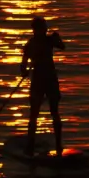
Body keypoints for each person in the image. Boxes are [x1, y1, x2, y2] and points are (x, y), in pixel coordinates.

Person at [20, 16, 65, 156]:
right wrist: (25, 71)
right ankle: (30, 144)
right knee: (34, 113)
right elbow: (23, 64)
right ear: (35, 30)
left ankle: (58, 145)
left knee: (54, 112)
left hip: (50, 79)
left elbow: (62, 47)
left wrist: (57, 39)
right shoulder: (31, 44)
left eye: (44, 28)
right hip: (39, 80)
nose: (43, 31)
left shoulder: (49, 40)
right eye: (41, 29)